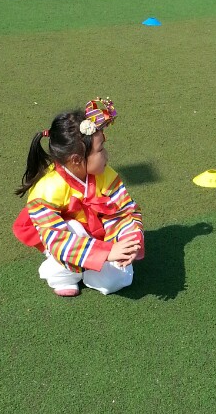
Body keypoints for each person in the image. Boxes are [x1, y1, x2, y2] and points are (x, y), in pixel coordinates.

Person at [13, 99, 144, 297]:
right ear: (76, 160)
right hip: (65, 237)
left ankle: (88, 266)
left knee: (117, 280)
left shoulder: (106, 175)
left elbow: (124, 212)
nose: (106, 155)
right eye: (100, 150)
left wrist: (129, 242)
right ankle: (60, 273)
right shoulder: (46, 190)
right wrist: (107, 252)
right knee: (74, 228)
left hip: (97, 235)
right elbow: (56, 238)